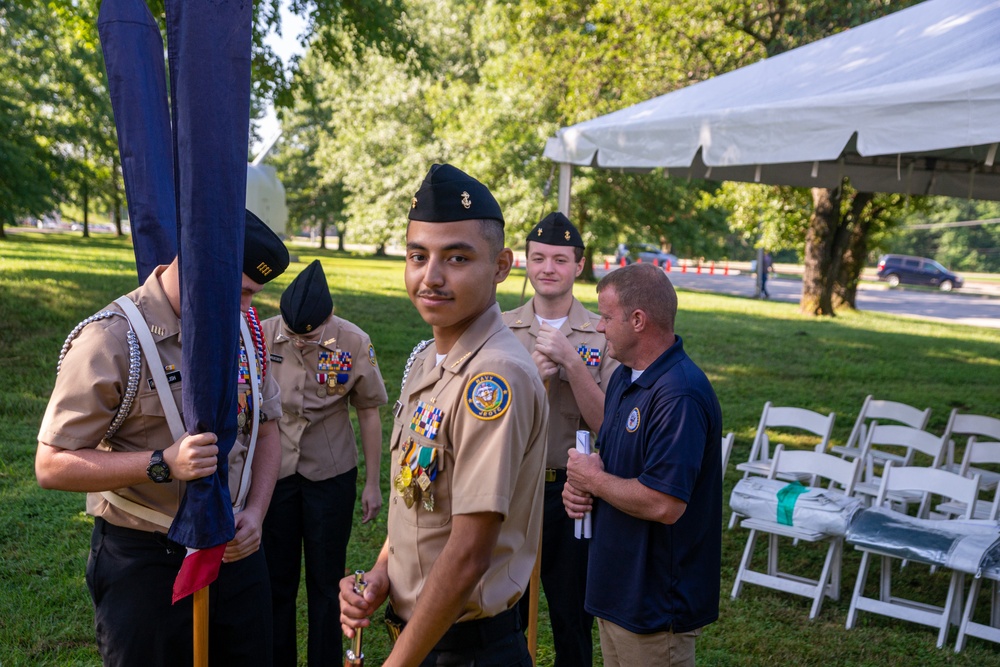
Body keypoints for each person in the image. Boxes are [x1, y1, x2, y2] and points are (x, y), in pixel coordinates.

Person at [34, 210, 289, 667]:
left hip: (235, 550)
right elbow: (51, 464)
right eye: (241, 290)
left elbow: (268, 428)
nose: (246, 306)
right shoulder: (112, 338)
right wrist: (161, 462)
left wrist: (256, 512)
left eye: (252, 294)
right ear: (200, 266)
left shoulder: (245, 332)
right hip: (148, 560)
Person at [339, 163, 548, 667]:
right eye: (418, 256)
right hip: (427, 639)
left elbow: (468, 555)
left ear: (501, 266)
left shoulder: (492, 379)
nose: (430, 277)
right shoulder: (432, 360)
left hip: (465, 651)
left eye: (456, 257)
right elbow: (420, 501)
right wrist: (384, 572)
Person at [562, 263, 722, 667]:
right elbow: (616, 465)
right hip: (617, 593)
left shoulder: (679, 395)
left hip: (654, 607)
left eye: (606, 316)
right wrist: (582, 483)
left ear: (638, 320)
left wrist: (595, 481)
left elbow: (664, 503)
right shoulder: (625, 378)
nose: (599, 327)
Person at [502, 211, 618, 667]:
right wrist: (530, 374)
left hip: (571, 496)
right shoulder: (502, 329)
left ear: (579, 266)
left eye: (560, 259)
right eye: (538, 258)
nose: (548, 268)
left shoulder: (603, 335)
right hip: (512, 489)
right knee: (505, 609)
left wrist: (572, 364)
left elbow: (609, 424)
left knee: (572, 617)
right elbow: (486, 416)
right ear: (525, 264)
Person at [261, 259, 389, 667]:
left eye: (309, 336)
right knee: (276, 581)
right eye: (293, 334)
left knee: (325, 581)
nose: (299, 342)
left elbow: (368, 412)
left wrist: (372, 483)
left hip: (330, 475)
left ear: (328, 316)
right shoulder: (262, 335)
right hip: (275, 473)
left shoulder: (352, 341)